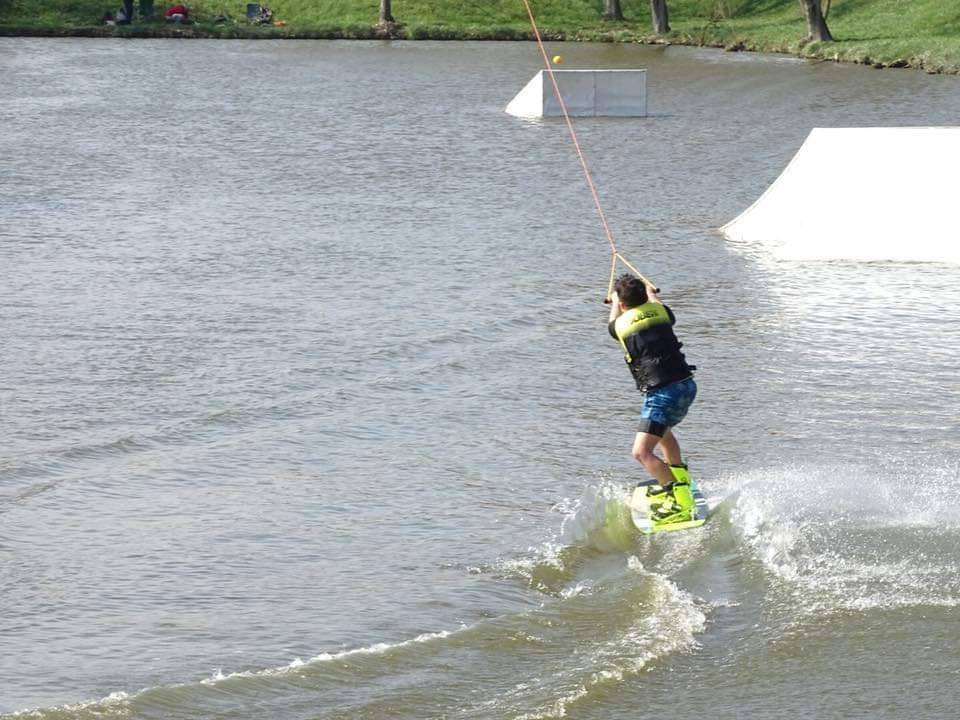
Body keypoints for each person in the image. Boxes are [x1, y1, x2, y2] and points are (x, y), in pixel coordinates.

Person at [607, 273, 698, 523]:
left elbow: (612, 323)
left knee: (641, 452)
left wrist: (614, 302)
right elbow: (656, 304)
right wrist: (651, 294)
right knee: (663, 433)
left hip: (662, 393)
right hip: (686, 386)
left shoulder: (622, 325)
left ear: (623, 304)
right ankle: (680, 479)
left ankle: (678, 500)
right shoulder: (663, 313)